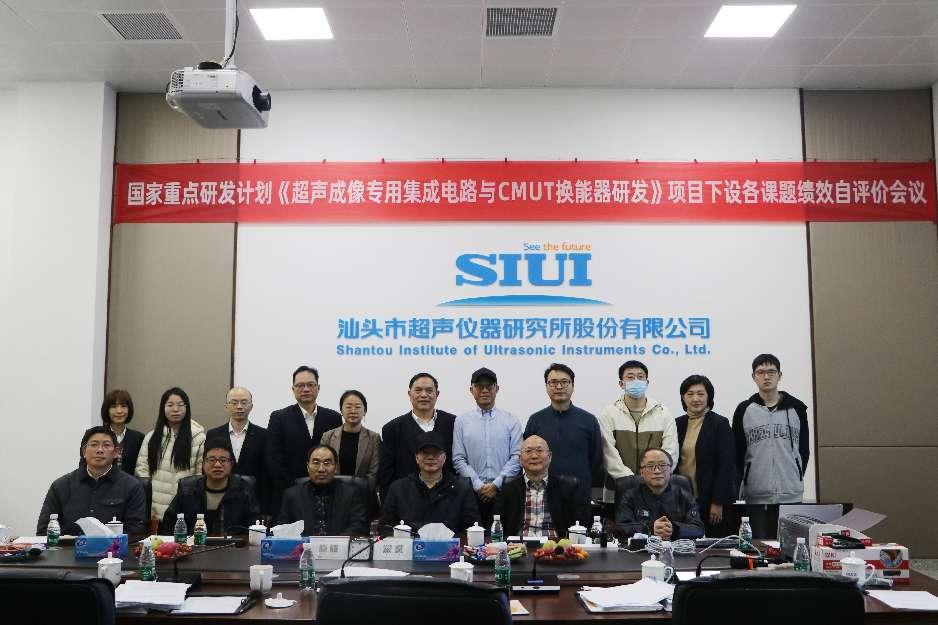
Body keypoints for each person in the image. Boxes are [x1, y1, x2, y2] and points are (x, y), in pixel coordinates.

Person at [598, 360, 678, 507]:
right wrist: (630, 480)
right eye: (630, 377)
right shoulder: (609, 413)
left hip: (656, 490)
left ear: (647, 382)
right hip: (617, 491)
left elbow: (671, 452)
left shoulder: (663, 413)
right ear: (621, 383)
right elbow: (608, 453)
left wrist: (653, 477)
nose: (636, 380)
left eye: (640, 377)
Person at [38, 426, 147, 535]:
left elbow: (137, 530)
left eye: (106, 445)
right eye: (94, 445)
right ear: (84, 451)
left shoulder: (131, 486)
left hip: (114, 546)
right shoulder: (61, 486)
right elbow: (44, 530)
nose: (99, 450)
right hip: (70, 545)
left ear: (116, 452)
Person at [733, 353, 810, 504]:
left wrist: (796, 475)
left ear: (779, 375)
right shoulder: (744, 410)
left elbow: (803, 450)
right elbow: (738, 452)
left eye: (771, 372)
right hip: (755, 495)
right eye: (761, 372)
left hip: (791, 493)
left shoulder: (797, 408)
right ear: (753, 377)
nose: (766, 377)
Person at [266, 366, 342, 515]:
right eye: (300, 385)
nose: (306, 389)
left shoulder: (333, 417)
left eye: (310, 385)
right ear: (293, 389)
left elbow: (336, 457)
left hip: (327, 496)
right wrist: (294, 490)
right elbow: (274, 459)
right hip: (288, 494)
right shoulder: (279, 418)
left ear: (318, 388)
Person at [452, 367, 522, 527]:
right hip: (471, 493)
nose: (484, 390)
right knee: (472, 537)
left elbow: (517, 457)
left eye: (489, 386)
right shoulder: (461, 422)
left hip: (505, 492)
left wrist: (496, 485)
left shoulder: (511, 420)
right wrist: (478, 485)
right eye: (479, 386)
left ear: (497, 388)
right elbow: (458, 459)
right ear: (471, 390)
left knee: (504, 536)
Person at [523, 363, 602, 503]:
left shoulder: (589, 420)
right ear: (546, 386)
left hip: (580, 493)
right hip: (543, 494)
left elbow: (596, 460)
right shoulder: (535, 420)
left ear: (573, 385)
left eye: (564, 382)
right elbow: (527, 457)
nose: (559, 386)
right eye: (553, 382)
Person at [380, 431, 479, 535]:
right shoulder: (398, 489)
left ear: (444, 458)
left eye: (436, 453)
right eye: (425, 453)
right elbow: (385, 528)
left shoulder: (462, 488)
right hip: (410, 544)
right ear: (417, 458)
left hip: (450, 545)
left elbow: (473, 529)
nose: (430, 457)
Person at [377, 373, 457, 501]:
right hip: (406, 501)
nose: (424, 395)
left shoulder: (454, 424)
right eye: (418, 390)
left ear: (437, 394)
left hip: (447, 500)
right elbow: (386, 474)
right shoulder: (392, 429)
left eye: (429, 390)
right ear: (409, 394)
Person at [493, 435, 591, 538]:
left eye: (539, 451)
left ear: (550, 456)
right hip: (518, 545)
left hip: (556, 545)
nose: (534, 456)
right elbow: (496, 526)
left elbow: (581, 526)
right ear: (520, 459)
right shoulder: (508, 489)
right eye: (528, 451)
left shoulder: (568, 488)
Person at [674, 375, 735, 536]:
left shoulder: (719, 424)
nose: (695, 399)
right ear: (683, 397)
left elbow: (726, 466)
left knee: (713, 544)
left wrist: (718, 501)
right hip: (683, 500)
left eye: (701, 394)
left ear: (709, 396)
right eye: (690, 394)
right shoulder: (676, 424)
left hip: (711, 501)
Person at [159, 438, 260, 536]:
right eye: (211, 460)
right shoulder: (187, 489)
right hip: (192, 545)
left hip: (232, 546)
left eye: (223, 460)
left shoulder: (244, 489)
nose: (217, 465)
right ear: (203, 464)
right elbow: (167, 527)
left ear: (231, 464)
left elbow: (254, 528)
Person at [136, 387, 206, 524]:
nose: (175, 409)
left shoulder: (198, 438)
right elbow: (142, 471)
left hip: (185, 509)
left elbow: (199, 476)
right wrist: (148, 506)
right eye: (170, 405)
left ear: (187, 408)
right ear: (163, 408)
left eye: (180, 405)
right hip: (155, 511)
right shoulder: (151, 437)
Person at [276, 445, 369, 536]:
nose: (321, 469)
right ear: (308, 467)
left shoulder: (351, 493)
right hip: (303, 545)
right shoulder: (292, 495)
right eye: (316, 463)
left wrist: (335, 542)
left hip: (339, 545)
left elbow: (359, 526)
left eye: (327, 463)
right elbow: (282, 529)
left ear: (336, 467)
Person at [205, 387, 270, 515]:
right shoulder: (213, 434)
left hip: (253, 503)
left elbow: (267, 474)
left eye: (244, 402)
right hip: (220, 501)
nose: (239, 407)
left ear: (251, 406)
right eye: (234, 402)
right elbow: (207, 469)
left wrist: (266, 509)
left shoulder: (264, 435)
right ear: (226, 407)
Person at [614, 448, 704, 540]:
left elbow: (698, 529)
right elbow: (621, 528)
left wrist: (674, 529)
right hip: (642, 548)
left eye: (662, 465)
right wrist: (650, 528)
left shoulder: (684, 496)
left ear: (670, 469)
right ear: (641, 472)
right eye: (650, 466)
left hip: (678, 548)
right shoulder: (630, 496)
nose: (657, 471)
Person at [320, 390, 381, 513]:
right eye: (348, 407)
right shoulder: (328, 436)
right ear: (341, 411)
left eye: (358, 407)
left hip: (362, 500)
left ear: (365, 411)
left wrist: (356, 494)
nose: (353, 410)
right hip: (332, 497)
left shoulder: (374, 438)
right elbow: (323, 467)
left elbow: (373, 473)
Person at [87, 389, 144, 476]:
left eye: (123, 406)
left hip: (129, 484)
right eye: (114, 407)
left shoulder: (139, 438)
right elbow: (85, 466)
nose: (119, 411)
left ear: (129, 410)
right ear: (107, 410)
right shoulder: (94, 435)